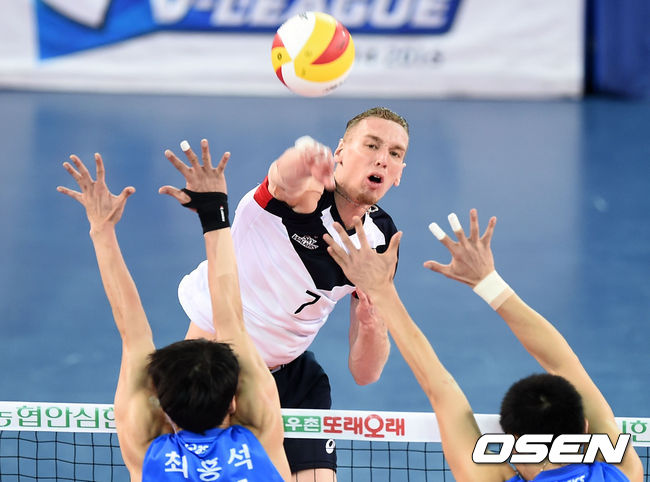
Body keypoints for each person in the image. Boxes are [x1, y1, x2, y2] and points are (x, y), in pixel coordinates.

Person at [161, 108, 409, 480]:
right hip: (211, 372)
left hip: (291, 379)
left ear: (399, 172)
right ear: (340, 151)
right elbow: (283, 178)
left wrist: (373, 320)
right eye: (371, 145)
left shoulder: (380, 240)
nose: (382, 159)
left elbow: (365, 373)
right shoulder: (305, 194)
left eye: (394, 153)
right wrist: (303, 156)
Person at [323, 209, 643, 481]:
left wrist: (380, 288)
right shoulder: (621, 472)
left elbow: (441, 386)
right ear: (585, 428)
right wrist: (489, 284)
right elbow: (562, 362)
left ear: (514, 442)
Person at [57, 150, 291, 481]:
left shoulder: (146, 452)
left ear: (162, 408)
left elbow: (133, 333)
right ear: (234, 403)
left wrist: (101, 229)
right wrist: (213, 210)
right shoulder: (260, 437)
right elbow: (231, 318)